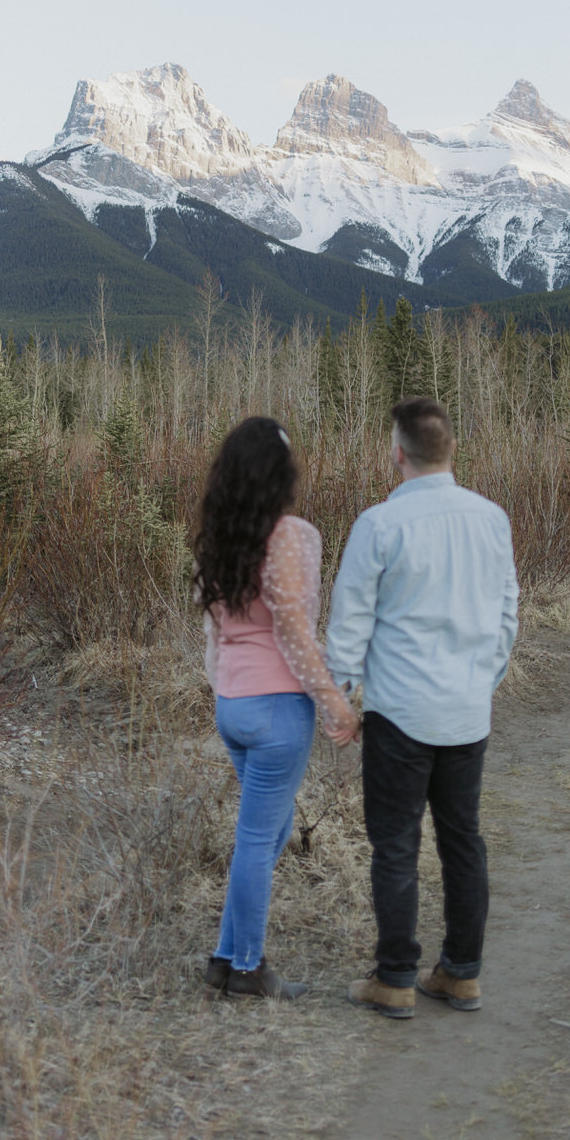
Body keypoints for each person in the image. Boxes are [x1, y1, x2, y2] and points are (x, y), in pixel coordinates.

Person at [326, 397, 519, 1019]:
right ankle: (461, 973)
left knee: (396, 846)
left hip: (400, 712)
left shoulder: (380, 525)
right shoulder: (492, 519)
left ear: (397, 453)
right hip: (466, 710)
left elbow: (350, 621)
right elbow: (507, 616)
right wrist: (482, 681)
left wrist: (339, 698)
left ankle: (396, 978)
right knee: (463, 839)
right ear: (451, 450)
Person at [194, 416, 359, 1002]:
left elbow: (215, 632)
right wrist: (334, 700)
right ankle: (247, 968)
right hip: (277, 709)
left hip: (233, 704)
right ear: (280, 474)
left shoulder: (220, 537)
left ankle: (222, 958)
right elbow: (293, 629)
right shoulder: (290, 536)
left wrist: (222, 692)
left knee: (266, 831)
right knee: (260, 840)